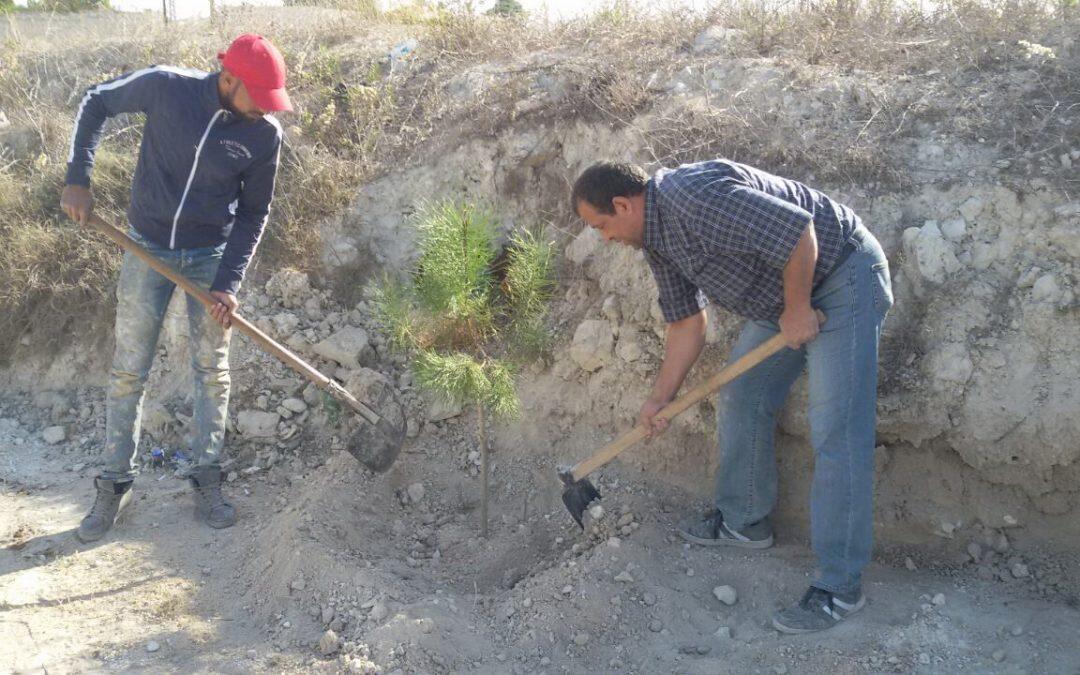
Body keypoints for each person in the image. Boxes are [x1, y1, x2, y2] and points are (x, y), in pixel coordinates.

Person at [571, 159, 893, 634]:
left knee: (836, 430)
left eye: (603, 226)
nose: (605, 238)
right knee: (744, 394)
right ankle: (744, 520)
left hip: (842, 275)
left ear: (623, 204)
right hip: (783, 294)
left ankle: (839, 588)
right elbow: (687, 322)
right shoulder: (656, 239)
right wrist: (660, 400)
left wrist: (800, 307)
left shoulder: (693, 199)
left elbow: (799, 232)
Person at [60, 34, 292, 542]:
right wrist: (79, 176)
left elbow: (255, 214)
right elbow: (95, 101)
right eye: (258, 96)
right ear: (227, 78)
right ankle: (113, 483)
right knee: (129, 370)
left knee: (212, 371)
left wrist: (229, 283)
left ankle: (207, 475)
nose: (263, 110)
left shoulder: (263, 136)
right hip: (146, 246)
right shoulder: (167, 86)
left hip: (209, 256)